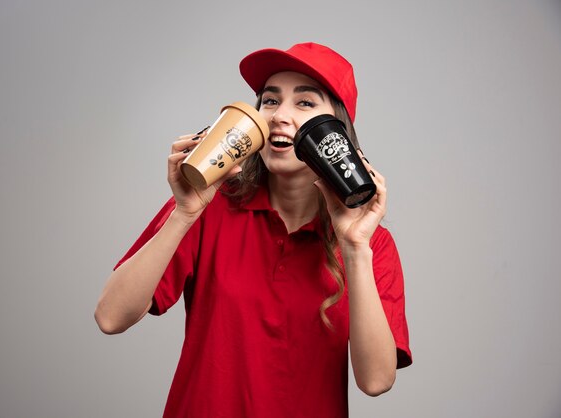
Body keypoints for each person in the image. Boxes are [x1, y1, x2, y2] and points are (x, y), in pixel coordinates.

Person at [95, 42, 412, 417]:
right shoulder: (208, 206)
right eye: (270, 101)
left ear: (337, 131)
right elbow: (111, 317)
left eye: (305, 103)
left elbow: (376, 381)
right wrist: (183, 213)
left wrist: (355, 248)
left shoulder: (371, 242)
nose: (280, 116)